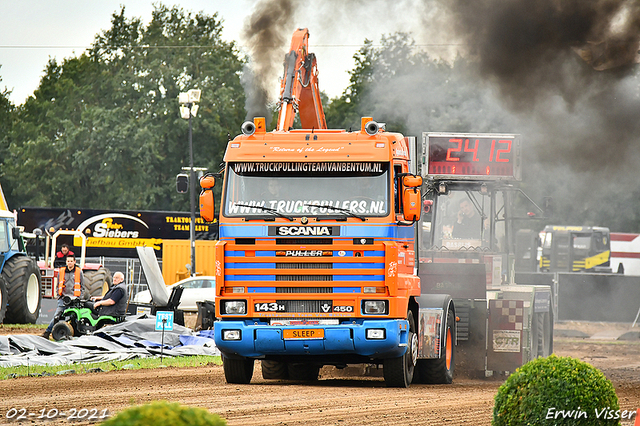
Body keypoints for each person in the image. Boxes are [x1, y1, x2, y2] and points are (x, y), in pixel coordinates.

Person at [42, 254, 85, 340]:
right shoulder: (61, 271)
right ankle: (47, 332)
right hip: (63, 299)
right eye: (68, 261)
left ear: (74, 262)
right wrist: (59, 295)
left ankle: (76, 334)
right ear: (66, 262)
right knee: (57, 316)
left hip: (75, 299)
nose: (70, 263)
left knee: (75, 318)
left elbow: (82, 286)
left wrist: (80, 298)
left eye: (71, 261)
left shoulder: (79, 272)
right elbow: (58, 284)